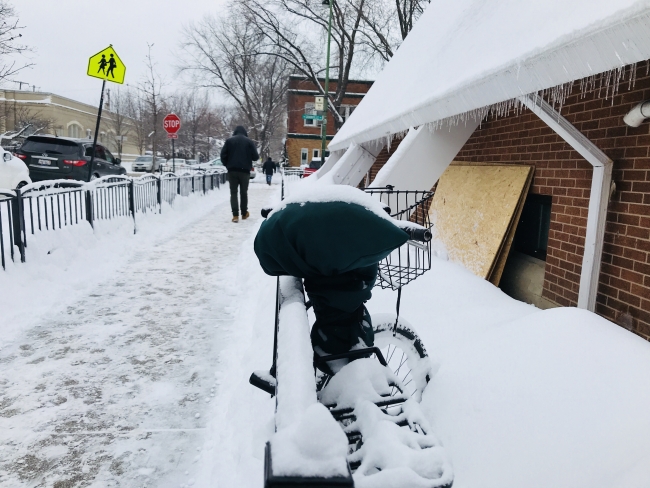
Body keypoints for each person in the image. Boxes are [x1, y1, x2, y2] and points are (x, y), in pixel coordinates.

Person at [220, 126, 259, 222]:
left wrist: (227, 165)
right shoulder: (249, 142)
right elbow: (256, 157)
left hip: (232, 170)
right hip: (245, 171)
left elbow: (223, 155)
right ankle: (244, 213)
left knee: (233, 193)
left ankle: (235, 215)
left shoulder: (229, 141)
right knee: (243, 192)